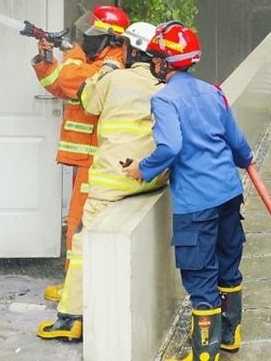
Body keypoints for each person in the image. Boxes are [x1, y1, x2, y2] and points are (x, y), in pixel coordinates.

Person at [123, 21, 254, 359]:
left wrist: (142, 169)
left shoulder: (164, 99)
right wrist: (247, 160)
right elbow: (238, 143)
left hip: (196, 205)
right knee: (228, 265)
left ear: (164, 63)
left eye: (155, 58)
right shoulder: (213, 92)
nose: (153, 63)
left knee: (200, 276)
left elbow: (170, 146)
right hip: (229, 193)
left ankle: (204, 353)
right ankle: (230, 335)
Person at [37, 22, 169, 341]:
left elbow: (88, 101)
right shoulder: (163, 87)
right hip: (151, 179)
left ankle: (71, 318)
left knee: (84, 241)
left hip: (113, 179)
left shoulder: (115, 78)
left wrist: (104, 69)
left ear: (130, 50)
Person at [31, 5, 128, 302]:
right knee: (78, 223)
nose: (85, 38)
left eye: (92, 33)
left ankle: (75, 292)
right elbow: (59, 86)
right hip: (86, 159)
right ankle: (75, 286)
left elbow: (72, 79)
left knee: (78, 222)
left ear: (112, 39)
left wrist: (71, 53)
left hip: (95, 161)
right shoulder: (94, 59)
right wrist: (47, 61)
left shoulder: (113, 64)